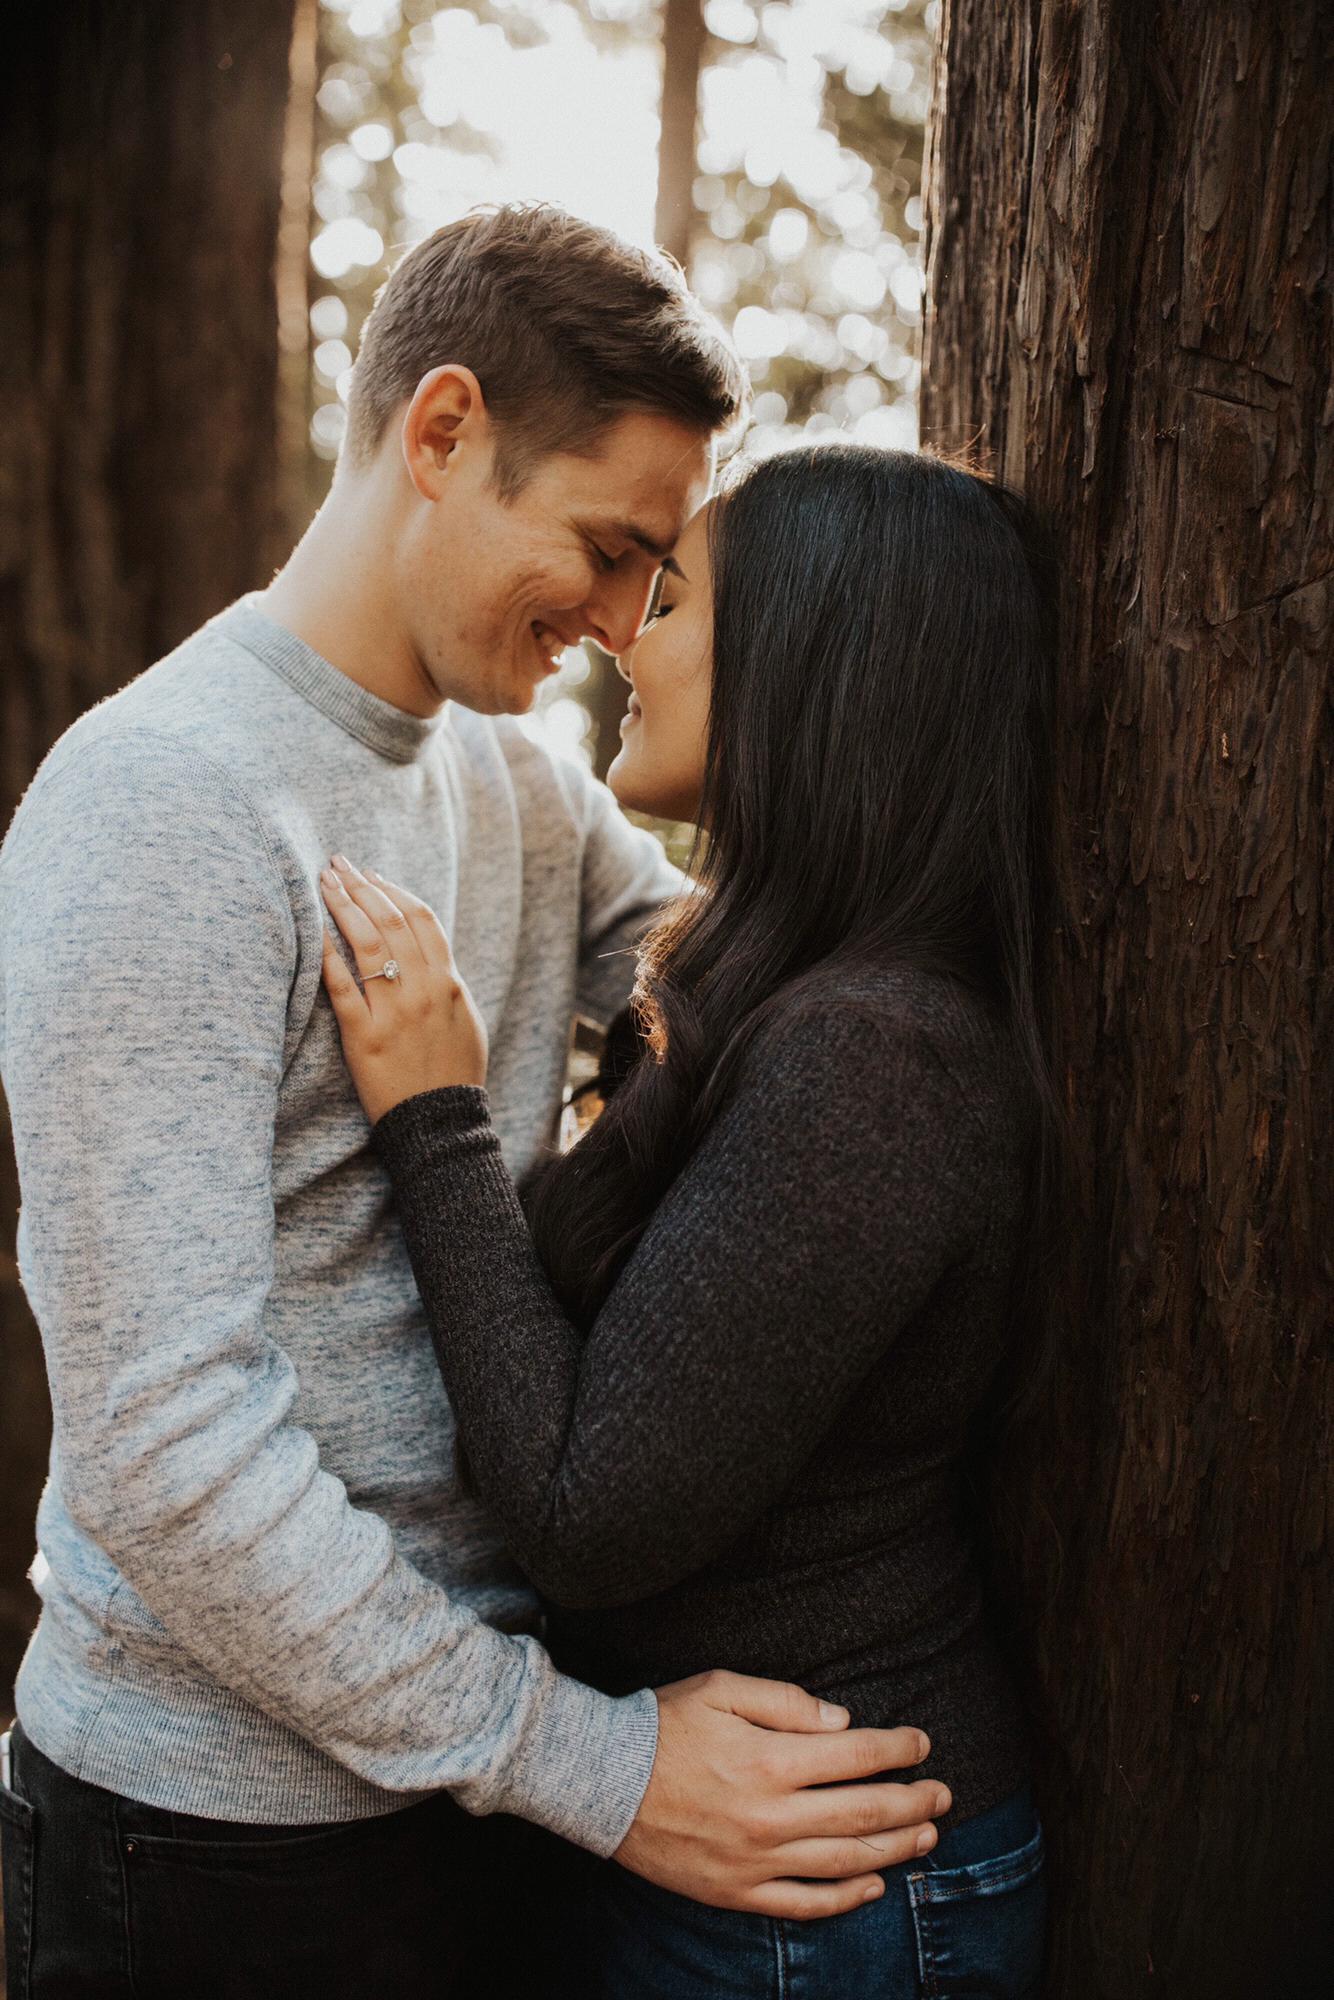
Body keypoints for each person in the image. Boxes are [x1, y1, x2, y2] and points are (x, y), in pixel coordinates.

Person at [0, 211, 949, 1999]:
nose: (616, 627)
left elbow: (733, 976)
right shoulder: (160, 804)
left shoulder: (509, 776)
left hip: (480, 1792)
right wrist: (594, 1768)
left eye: (655, 580)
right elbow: (162, 1445)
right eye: (605, 550)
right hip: (220, 1852)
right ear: (439, 433)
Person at [317, 442, 1058, 1999]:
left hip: (815, 1892)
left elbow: (589, 1513)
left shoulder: (877, 1061)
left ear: (813, 659)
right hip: (735, 1863)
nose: (622, 632)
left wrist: (435, 1125)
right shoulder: (792, 996)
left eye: (677, 596)